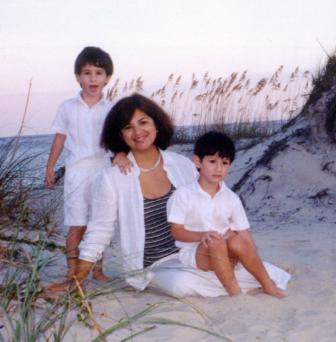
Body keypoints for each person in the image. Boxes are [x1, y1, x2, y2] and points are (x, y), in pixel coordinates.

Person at [52, 93, 290, 297]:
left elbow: (211, 204)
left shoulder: (181, 165)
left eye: (143, 122)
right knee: (181, 286)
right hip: (156, 266)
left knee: (238, 266)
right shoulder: (112, 178)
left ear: (156, 124)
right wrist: (77, 280)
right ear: (120, 135)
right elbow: (99, 233)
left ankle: (247, 275)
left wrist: (228, 240)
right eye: (128, 127)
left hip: (197, 253)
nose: (138, 132)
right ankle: (247, 278)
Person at [45, 46, 130, 284]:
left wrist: (121, 154)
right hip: (76, 170)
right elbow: (60, 138)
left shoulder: (112, 108)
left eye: (99, 73)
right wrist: (50, 167)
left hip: (104, 169)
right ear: (78, 77)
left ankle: (97, 270)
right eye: (87, 73)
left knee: (99, 223)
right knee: (77, 223)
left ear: (108, 78)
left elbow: (120, 137)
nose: (93, 78)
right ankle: (71, 272)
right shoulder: (67, 107)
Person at [167, 131, 286, 298]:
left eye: (224, 163)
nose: (218, 168)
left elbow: (243, 231)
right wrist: (202, 235)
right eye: (212, 161)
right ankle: (235, 293)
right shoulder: (183, 194)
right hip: (196, 253)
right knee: (215, 242)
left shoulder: (231, 197)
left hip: (226, 252)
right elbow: (176, 231)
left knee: (237, 240)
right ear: (197, 161)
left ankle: (268, 284)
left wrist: (251, 257)